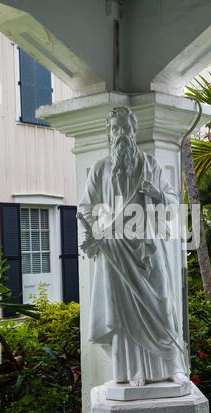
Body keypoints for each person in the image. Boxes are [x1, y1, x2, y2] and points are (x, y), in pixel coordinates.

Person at [78, 106, 189, 387]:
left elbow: (174, 204)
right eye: (116, 128)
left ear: (134, 131)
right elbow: (85, 208)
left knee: (162, 306)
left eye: (126, 128)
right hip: (117, 253)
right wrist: (96, 231)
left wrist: (157, 194)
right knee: (124, 313)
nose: (121, 133)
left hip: (149, 250)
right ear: (109, 132)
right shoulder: (102, 169)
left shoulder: (150, 165)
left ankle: (172, 365)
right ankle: (131, 370)